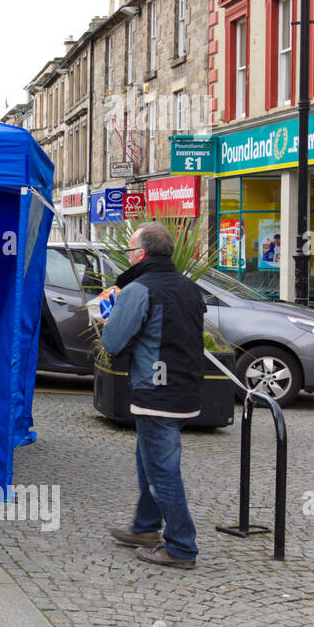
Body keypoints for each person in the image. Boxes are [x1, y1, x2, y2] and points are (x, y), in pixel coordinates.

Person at [102, 222, 205, 569]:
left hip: (155, 389)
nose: (128, 257)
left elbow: (113, 342)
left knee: (162, 471)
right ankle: (145, 528)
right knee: (149, 461)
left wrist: (109, 320)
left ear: (141, 254)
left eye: (130, 251)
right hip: (185, 388)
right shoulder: (190, 287)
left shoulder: (138, 289)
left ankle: (180, 546)